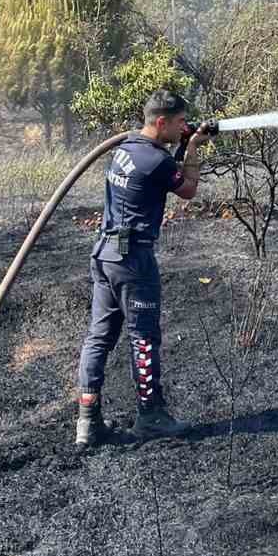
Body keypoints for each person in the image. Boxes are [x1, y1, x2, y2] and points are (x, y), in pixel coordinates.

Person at [75, 89, 218, 446]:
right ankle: (151, 416)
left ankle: (87, 422)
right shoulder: (156, 161)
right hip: (133, 261)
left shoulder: (126, 150)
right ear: (161, 121)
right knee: (144, 338)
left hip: (105, 255)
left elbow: (162, 172)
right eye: (180, 122)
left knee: (98, 338)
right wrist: (193, 147)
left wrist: (183, 143)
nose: (184, 126)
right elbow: (188, 190)